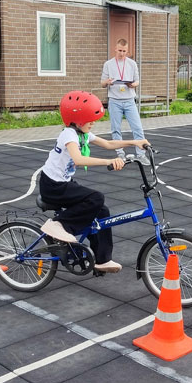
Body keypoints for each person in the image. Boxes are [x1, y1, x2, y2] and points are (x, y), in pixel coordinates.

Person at [39, 91, 149, 273]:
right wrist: (109, 162)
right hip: (52, 185)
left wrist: (135, 142)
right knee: (96, 197)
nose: (93, 122)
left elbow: (108, 144)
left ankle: (102, 259)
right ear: (78, 119)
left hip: (63, 183)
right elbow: (78, 159)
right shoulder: (69, 135)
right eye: (90, 119)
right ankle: (59, 224)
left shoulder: (82, 134)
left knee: (102, 210)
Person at [101, 39, 149, 165]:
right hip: (114, 100)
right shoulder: (108, 64)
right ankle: (120, 154)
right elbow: (102, 83)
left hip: (129, 100)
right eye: (120, 50)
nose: (122, 53)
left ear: (127, 51)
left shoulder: (132, 64)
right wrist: (108, 82)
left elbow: (138, 81)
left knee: (137, 127)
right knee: (116, 129)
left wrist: (133, 85)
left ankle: (141, 154)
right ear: (115, 49)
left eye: (124, 51)